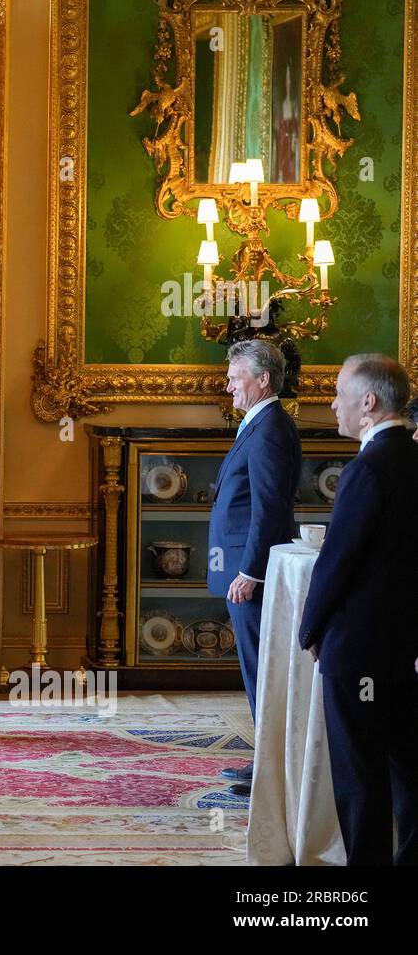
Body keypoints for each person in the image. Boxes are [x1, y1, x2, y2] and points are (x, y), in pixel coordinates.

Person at [298, 354, 418, 865]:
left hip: (361, 648)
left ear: (367, 403)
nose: (333, 404)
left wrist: (308, 631)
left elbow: (337, 563)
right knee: (409, 770)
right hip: (407, 647)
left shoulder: (368, 469)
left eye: (340, 394)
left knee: (359, 777)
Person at [206, 339, 301, 796]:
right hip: (245, 567)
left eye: (235, 377)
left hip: (252, 572)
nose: (228, 387)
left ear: (263, 379)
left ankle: (272, 768)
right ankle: (268, 760)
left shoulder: (271, 430)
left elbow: (270, 508)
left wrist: (251, 571)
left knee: (262, 669)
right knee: (256, 669)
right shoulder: (260, 424)